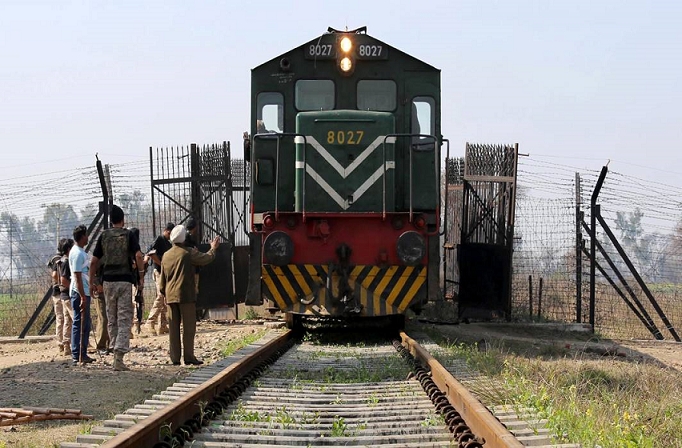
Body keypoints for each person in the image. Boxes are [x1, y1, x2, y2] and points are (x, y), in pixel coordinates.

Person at [89, 205, 144, 371]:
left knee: (111, 317)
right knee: (124, 318)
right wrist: (141, 275)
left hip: (107, 282)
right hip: (124, 281)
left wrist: (91, 282)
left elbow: (94, 261)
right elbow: (138, 255)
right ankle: (119, 357)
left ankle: (114, 351)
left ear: (111, 220)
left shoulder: (103, 236)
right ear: (123, 219)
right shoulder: (128, 235)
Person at [159, 225, 220, 365]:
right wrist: (213, 248)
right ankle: (189, 357)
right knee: (188, 327)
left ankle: (175, 358)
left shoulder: (166, 255)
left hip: (170, 296)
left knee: (173, 328)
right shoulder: (188, 253)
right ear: (184, 238)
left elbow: (162, 280)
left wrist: (164, 293)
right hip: (185, 295)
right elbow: (206, 259)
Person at [69, 224, 95, 365]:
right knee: (79, 323)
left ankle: (82, 352)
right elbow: (78, 276)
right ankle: (77, 353)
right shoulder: (78, 254)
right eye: (86, 235)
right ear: (82, 236)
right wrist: (83, 296)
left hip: (83, 290)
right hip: (80, 292)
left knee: (84, 323)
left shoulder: (79, 251)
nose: (87, 238)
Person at [145, 222, 175, 335]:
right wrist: (161, 264)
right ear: (167, 231)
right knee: (161, 296)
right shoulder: (159, 239)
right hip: (158, 272)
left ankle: (162, 325)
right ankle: (150, 322)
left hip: (164, 272)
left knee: (165, 297)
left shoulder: (168, 243)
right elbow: (151, 253)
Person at [57, 238, 75, 356]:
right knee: (77, 319)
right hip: (68, 295)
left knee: (67, 321)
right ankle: (81, 344)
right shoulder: (66, 262)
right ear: (69, 249)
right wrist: (73, 288)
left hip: (64, 295)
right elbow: (63, 280)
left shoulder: (64, 261)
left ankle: (66, 345)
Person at [48, 250, 65, 354]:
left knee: (60, 318)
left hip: (56, 292)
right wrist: (62, 282)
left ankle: (61, 343)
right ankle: (62, 343)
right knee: (63, 318)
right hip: (60, 292)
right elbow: (54, 274)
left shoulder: (55, 259)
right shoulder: (59, 259)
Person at [91, 264, 110, 355]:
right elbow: (91, 271)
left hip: (110, 290)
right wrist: (97, 284)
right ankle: (100, 345)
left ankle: (110, 344)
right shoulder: (98, 259)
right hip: (100, 292)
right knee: (103, 318)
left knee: (111, 318)